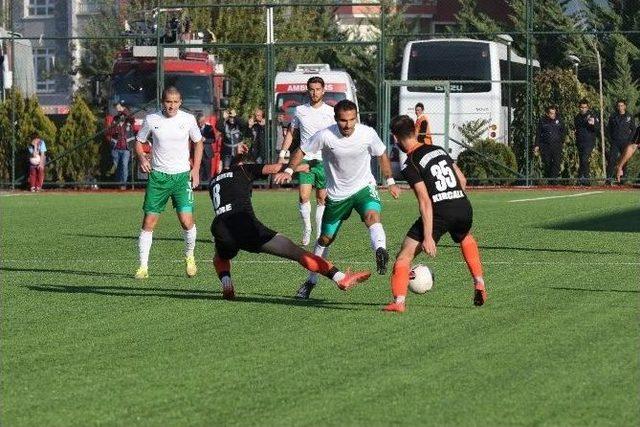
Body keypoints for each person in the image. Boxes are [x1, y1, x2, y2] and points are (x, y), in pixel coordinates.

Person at [274, 99, 401, 299]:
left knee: (372, 216)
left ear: (356, 118)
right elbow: (301, 150)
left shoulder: (367, 133)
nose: (347, 125)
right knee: (325, 239)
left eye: (351, 120)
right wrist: (289, 169)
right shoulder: (325, 135)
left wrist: (391, 181)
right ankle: (310, 281)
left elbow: (381, 154)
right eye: (343, 120)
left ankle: (380, 250)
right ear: (336, 119)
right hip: (336, 196)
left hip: (363, 188)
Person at [209, 149, 371, 300]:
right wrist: (299, 167)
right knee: (296, 252)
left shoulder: (213, 181)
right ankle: (340, 277)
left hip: (220, 226)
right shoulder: (244, 169)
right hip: (245, 224)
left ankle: (226, 282)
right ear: (245, 164)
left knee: (220, 256)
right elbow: (274, 168)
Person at [384, 115, 486, 313]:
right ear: (415, 130)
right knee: (464, 236)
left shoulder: (410, 164)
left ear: (395, 138)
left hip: (440, 211)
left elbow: (424, 200)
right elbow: (462, 180)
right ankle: (479, 283)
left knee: (404, 257)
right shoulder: (438, 149)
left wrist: (429, 237)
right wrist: (455, 198)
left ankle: (399, 302)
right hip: (463, 205)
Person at [134, 86, 204, 279]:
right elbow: (139, 142)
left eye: (175, 102)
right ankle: (143, 267)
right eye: (168, 102)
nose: (171, 106)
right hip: (158, 178)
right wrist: (142, 158)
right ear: (162, 102)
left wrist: (196, 169)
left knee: (186, 221)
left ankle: (189, 256)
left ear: (180, 102)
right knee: (149, 222)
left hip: (181, 177)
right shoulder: (151, 119)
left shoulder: (188, 119)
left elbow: (198, 142)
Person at [278, 77, 335, 246]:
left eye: (318, 89)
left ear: (323, 90)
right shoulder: (300, 110)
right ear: (308, 90)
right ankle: (307, 229)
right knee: (303, 197)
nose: (315, 92)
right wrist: (283, 153)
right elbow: (291, 133)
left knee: (321, 199)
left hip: (324, 161)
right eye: (311, 89)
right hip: (305, 160)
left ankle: (319, 233)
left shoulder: (331, 112)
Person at [534, 106, 566, 184]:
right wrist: (537, 145)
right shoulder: (542, 121)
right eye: (551, 113)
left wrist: (561, 140)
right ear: (547, 113)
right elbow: (538, 133)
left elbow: (563, 131)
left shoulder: (559, 120)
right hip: (545, 146)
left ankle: (553, 181)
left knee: (556, 163)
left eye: (554, 113)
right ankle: (549, 180)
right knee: (547, 163)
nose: (553, 115)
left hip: (557, 146)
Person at [607, 99, 635, 183]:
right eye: (619, 106)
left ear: (625, 106)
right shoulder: (613, 116)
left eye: (622, 105)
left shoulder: (629, 117)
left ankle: (622, 180)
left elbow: (633, 130)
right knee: (611, 160)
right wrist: (610, 139)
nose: (620, 107)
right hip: (615, 142)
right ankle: (608, 180)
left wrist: (630, 141)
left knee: (624, 161)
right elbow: (609, 129)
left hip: (625, 142)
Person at [109, 100, 135, 189]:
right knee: (117, 167)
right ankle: (118, 184)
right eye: (120, 115)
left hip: (126, 149)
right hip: (116, 148)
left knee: (124, 166)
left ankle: (123, 185)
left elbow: (131, 118)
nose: (122, 117)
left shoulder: (129, 121)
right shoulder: (115, 120)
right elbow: (110, 131)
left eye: (123, 115)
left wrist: (123, 109)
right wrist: (115, 131)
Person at [574, 99, 600, 185]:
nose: (583, 109)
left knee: (584, 159)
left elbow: (596, 128)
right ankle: (581, 179)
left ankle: (586, 179)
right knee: (582, 160)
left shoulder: (592, 115)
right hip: (580, 142)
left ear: (587, 107)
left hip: (589, 142)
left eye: (585, 107)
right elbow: (577, 128)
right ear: (579, 107)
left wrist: (592, 124)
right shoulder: (577, 117)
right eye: (581, 107)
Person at [196, 113, 216, 184]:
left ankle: (208, 185)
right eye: (199, 122)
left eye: (202, 121)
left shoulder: (209, 128)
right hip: (198, 153)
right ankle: (199, 185)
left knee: (208, 170)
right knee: (199, 170)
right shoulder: (195, 128)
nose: (201, 123)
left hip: (207, 153)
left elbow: (213, 140)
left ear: (204, 121)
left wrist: (205, 140)